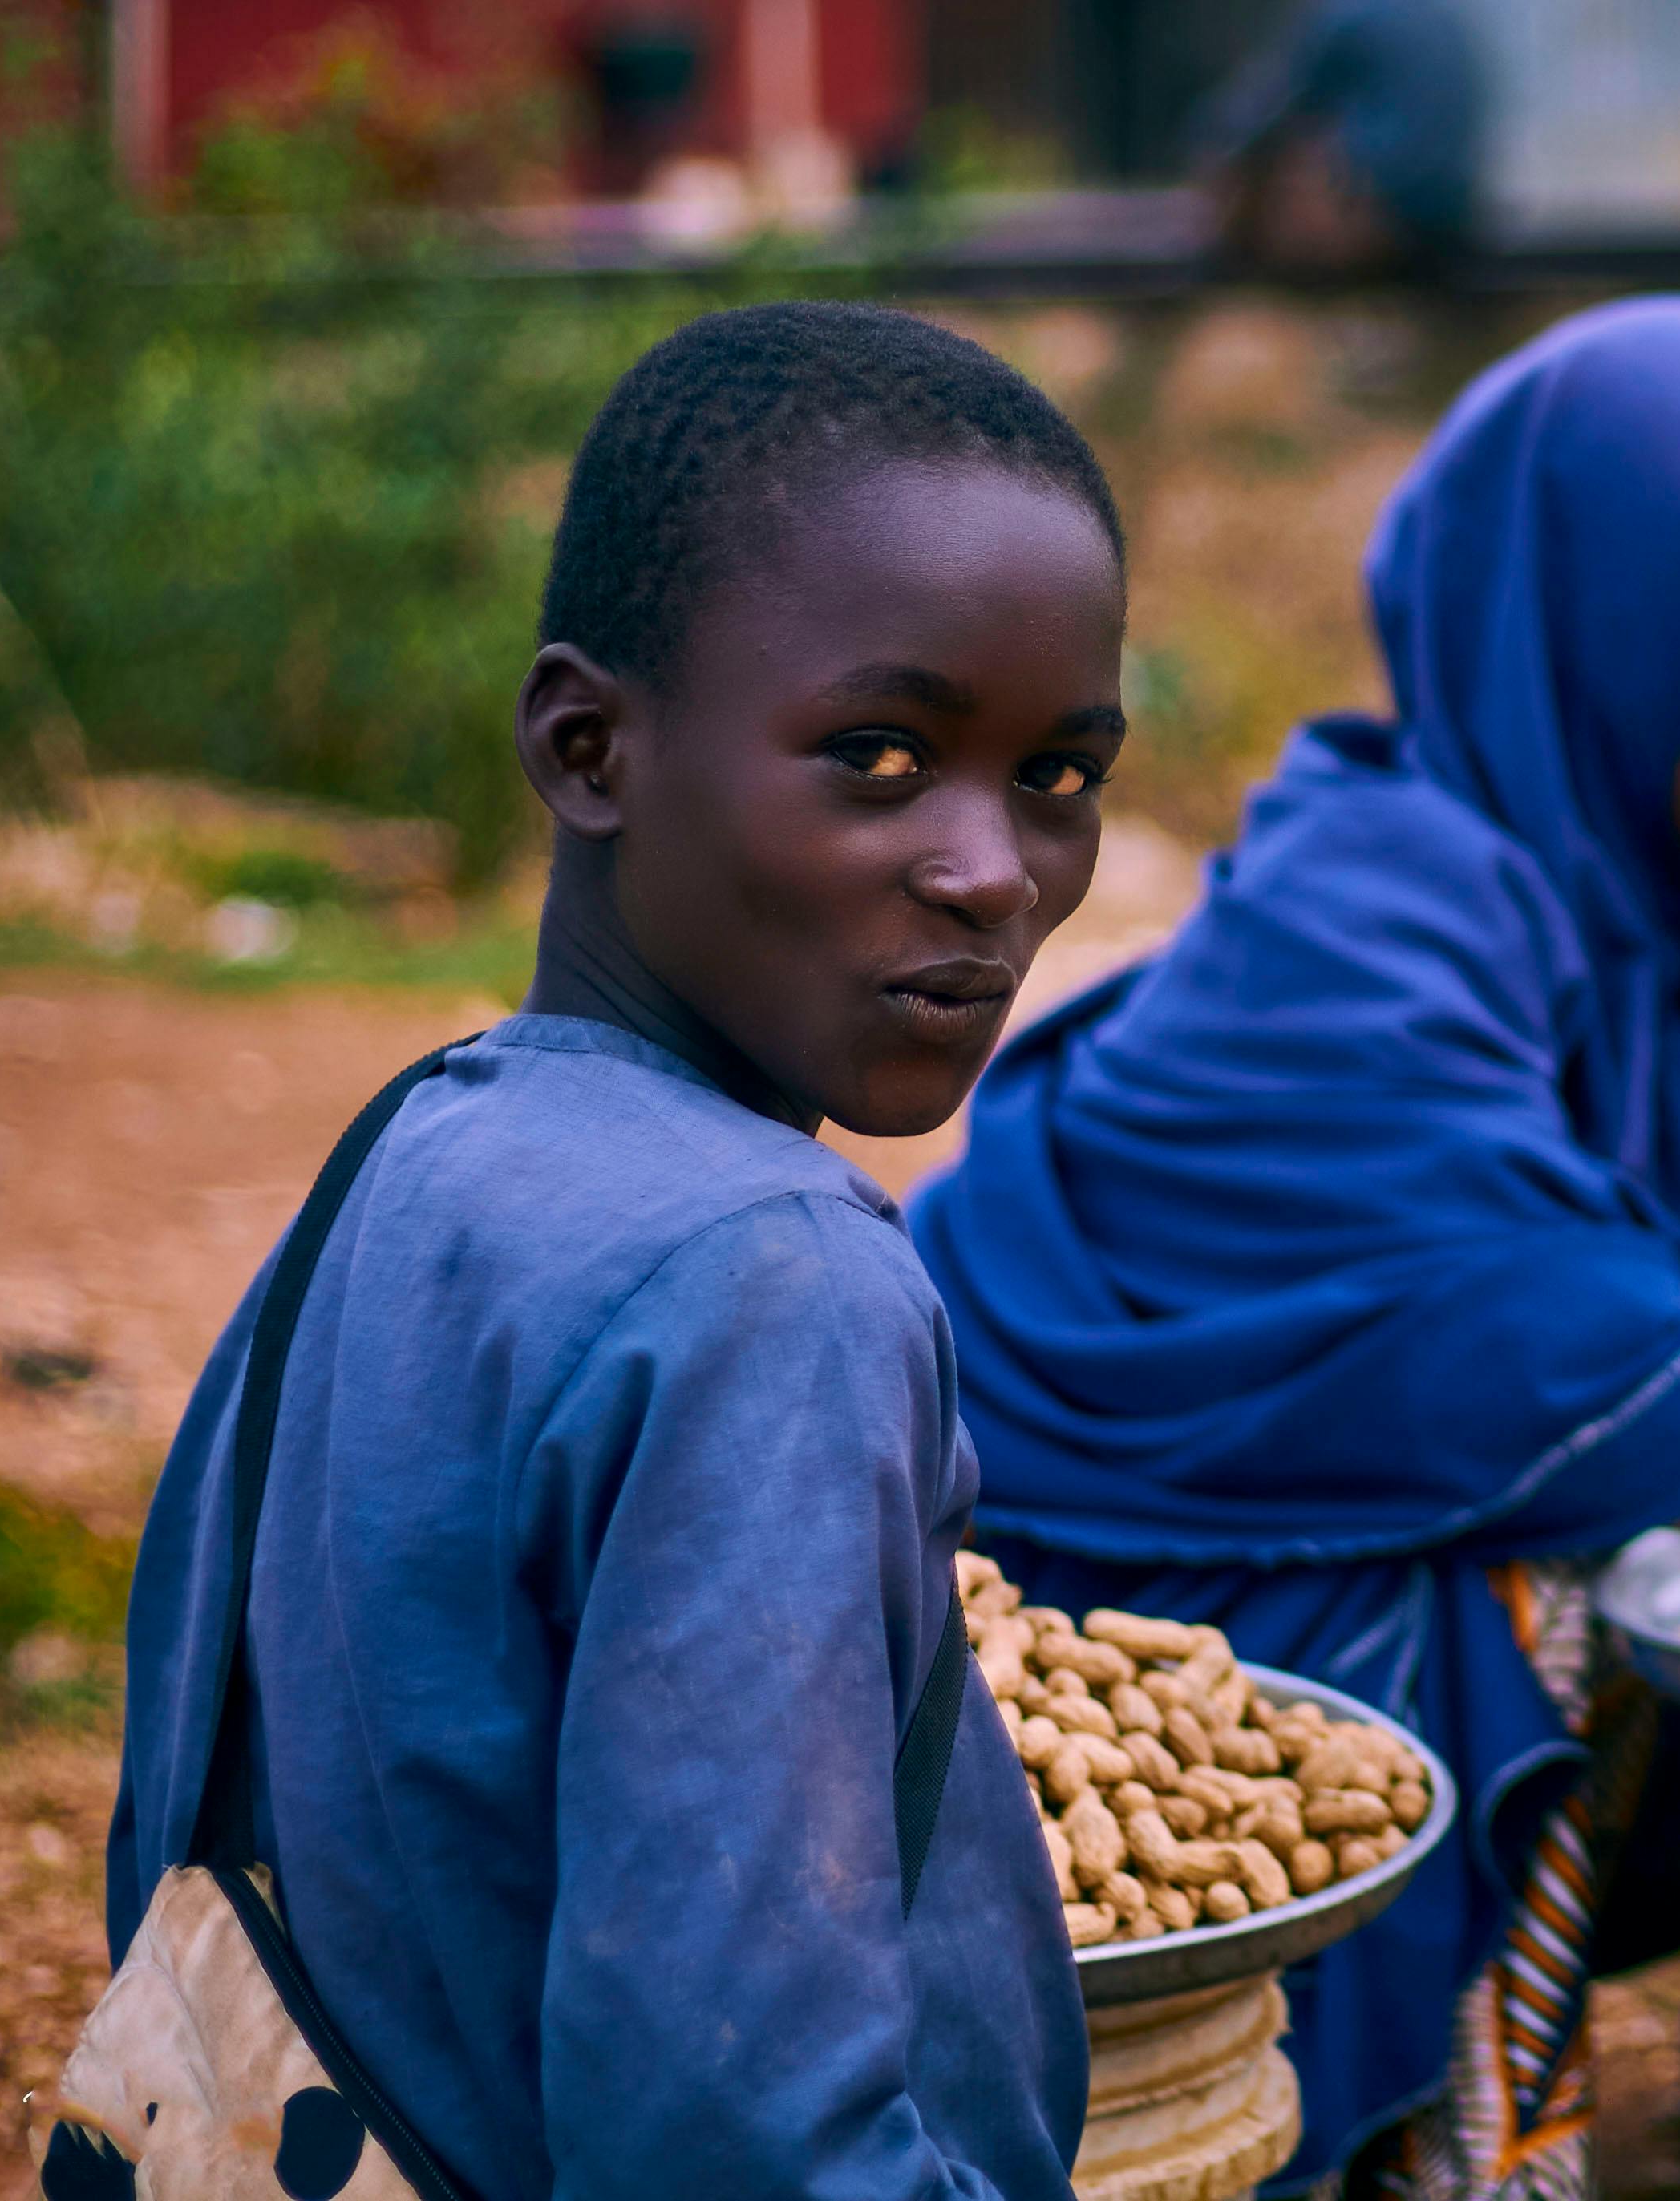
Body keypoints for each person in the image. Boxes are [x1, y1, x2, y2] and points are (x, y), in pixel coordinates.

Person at [108, 302, 1131, 2199]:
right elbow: (735, 2133)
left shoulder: (412, 1157)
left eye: (1057, 777)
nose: (993, 872)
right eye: (880, 753)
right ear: (588, 746)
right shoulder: (770, 1281)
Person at [910, 297, 1680, 2197]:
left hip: (1533, 1620)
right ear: (1617, 635)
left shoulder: (1672, 936)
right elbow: (1535, 1348)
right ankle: (1419, 2156)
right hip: (1204, 1659)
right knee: (1548, 1565)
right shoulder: (1359, 934)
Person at [1195, 0, 1488, 275]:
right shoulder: (1437, 15)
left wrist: (1221, 156)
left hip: (1384, 204)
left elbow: (1266, 112)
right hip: (1451, 209)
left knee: (1285, 161)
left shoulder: (1346, 16)